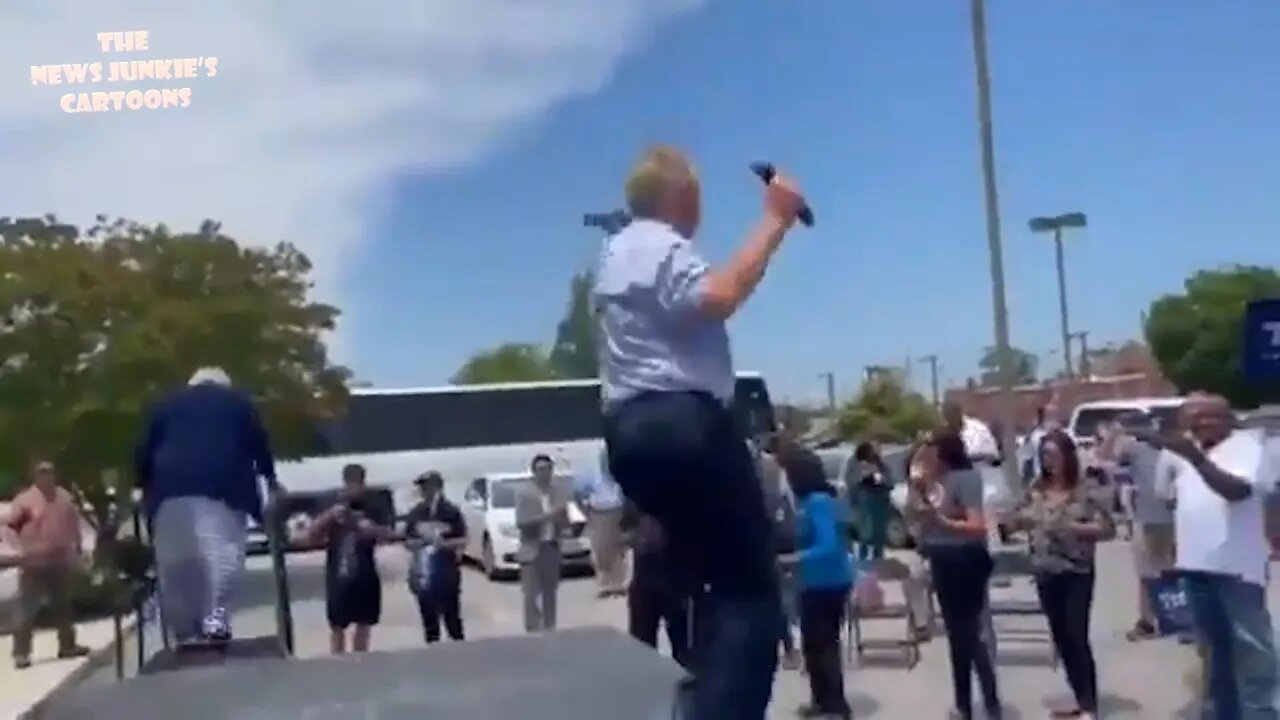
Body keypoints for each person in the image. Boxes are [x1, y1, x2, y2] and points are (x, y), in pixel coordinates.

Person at [595, 145, 805, 719]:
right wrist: (775, 218)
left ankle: (699, 694)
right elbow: (718, 296)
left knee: (706, 578)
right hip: (683, 425)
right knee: (752, 591)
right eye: (698, 200)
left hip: (628, 436)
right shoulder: (661, 244)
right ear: (680, 196)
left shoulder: (613, 252)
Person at [1148, 393, 1278, 719]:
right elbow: (1167, 498)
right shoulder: (1180, 451)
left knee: (1252, 656)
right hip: (1195, 569)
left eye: (1207, 415)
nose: (1199, 422)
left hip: (1238, 572)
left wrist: (1197, 460)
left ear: (1228, 417)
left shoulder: (1249, 447)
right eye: (1192, 417)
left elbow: (1238, 491)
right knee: (1212, 656)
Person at [135, 367, 277, 648]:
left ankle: (184, 627)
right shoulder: (237, 403)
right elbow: (259, 445)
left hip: (167, 491)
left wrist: (141, 485)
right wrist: (270, 479)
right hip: (222, 487)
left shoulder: (166, 404)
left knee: (176, 562)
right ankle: (215, 619)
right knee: (222, 553)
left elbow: (144, 449)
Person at [1009, 431, 1113, 719]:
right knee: (1061, 637)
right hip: (1045, 570)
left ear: (1068, 455)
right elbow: (1018, 517)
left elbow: (1107, 529)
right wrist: (1014, 522)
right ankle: (1078, 698)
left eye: (1054, 454)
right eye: (1044, 455)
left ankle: (1090, 706)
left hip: (1076, 570)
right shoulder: (1036, 487)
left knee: (1076, 635)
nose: (1049, 461)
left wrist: (1072, 528)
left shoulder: (1085, 488)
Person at [906, 432, 1002, 720]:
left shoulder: (965, 478)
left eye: (931, 453)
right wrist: (919, 496)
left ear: (943, 453)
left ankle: (990, 702)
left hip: (965, 557)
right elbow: (922, 519)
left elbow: (976, 525)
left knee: (969, 633)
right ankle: (963, 704)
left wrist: (941, 521)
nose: (926, 459)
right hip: (941, 557)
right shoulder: (934, 483)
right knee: (956, 637)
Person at [774, 435, 855, 720]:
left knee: (824, 645)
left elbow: (829, 545)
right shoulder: (810, 501)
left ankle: (836, 706)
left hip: (828, 582)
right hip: (813, 582)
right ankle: (820, 701)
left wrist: (793, 559)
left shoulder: (820, 502)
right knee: (813, 645)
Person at [4, 459, 91, 669]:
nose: (46, 477)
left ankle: (68, 645)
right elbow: (10, 528)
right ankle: (21, 653)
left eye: (49, 473)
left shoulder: (63, 498)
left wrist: (77, 546)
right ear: (35, 477)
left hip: (59, 559)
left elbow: (73, 522)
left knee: (63, 605)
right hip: (33, 562)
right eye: (42, 473)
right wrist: (19, 550)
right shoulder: (25, 501)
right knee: (27, 608)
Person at [1100, 412, 1178, 642]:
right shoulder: (1172, 448)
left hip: (1151, 518)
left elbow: (1104, 457)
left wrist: (1114, 434)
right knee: (1165, 571)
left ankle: (1150, 621)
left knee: (1149, 573)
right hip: (1168, 517)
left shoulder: (1137, 448)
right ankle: (1171, 619)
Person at [307, 463, 394, 654]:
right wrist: (329, 516)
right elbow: (311, 536)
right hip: (338, 573)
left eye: (358, 483)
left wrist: (372, 529)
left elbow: (387, 535)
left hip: (365, 572)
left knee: (364, 624)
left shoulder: (373, 505)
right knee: (337, 626)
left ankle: (360, 664)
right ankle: (338, 664)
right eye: (351, 483)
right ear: (345, 483)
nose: (355, 488)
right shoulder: (334, 504)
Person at [621, 499, 690, 668]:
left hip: (677, 577)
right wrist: (637, 538)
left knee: (684, 648)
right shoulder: (636, 496)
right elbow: (625, 530)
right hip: (645, 578)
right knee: (641, 645)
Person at [402, 471, 467, 644]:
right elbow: (407, 540)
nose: (424, 491)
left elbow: (463, 539)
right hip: (422, 572)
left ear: (437, 487)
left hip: (446, 571)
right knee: (429, 622)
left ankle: (460, 652)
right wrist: (417, 543)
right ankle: (433, 654)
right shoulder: (416, 513)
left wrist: (444, 544)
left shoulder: (450, 511)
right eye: (422, 487)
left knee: (452, 618)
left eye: (428, 486)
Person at [514, 453, 571, 633]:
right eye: (541, 469)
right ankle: (533, 630)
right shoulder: (525, 493)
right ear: (534, 472)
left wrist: (563, 522)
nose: (545, 472)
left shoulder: (558, 491)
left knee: (550, 593)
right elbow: (521, 522)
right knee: (531, 595)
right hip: (532, 548)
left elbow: (565, 520)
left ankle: (550, 628)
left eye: (548, 469)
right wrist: (547, 516)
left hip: (551, 547)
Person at [573, 449, 629, 598]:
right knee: (601, 549)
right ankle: (604, 584)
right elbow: (577, 494)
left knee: (619, 549)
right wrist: (586, 513)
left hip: (619, 512)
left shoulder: (622, 474)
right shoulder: (592, 476)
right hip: (599, 513)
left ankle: (619, 583)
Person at [853, 441, 891, 561]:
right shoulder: (859, 464)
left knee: (880, 529)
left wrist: (883, 478)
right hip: (868, 495)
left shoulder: (882, 465)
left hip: (881, 496)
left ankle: (878, 556)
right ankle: (862, 557)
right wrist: (868, 472)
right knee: (866, 529)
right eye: (873, 449)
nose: (876, 451)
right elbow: (856, 480)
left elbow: (889, 480)